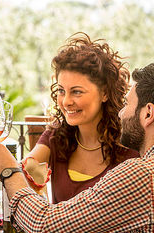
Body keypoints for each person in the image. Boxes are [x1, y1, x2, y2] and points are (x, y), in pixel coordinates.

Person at [0, 63, 154, 233]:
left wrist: (8, 171)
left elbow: (43, 227)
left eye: (127, 105)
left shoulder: (142, 174)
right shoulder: (60, 135)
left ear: (148, 113)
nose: (121, 114)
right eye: (62, 90)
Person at [27, 33, 138, 204]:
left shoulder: (130, 150)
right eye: (61, 90)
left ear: (105, 93)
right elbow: (25, 172)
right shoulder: (56, 136)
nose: (66, 102)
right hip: (55, 230)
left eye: (77, 91)